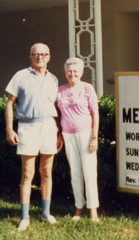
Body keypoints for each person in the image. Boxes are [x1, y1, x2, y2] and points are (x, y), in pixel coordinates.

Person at [5, 43, 64, 231]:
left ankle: (46, 213)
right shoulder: (20, 76)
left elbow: (58, 107)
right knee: (27, 174)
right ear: (30, 57)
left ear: (49, 57)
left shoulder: (53, 80)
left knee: (46, 172)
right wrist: (9, 128)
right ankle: (25, 217)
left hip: (49, 126)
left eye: (44, 54)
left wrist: (59, 132)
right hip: (27, 127)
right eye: (36, 54)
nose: (40, 57)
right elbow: (10, 103)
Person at [56, 57, 100, 222]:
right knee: (75, 172)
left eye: (75, 71)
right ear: (65, 72)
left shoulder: (88, 88)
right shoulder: (59, 90)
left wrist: (94, 137)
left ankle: (93, 210)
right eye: (69, 71)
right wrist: (59, 133)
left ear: (81, 72)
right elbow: (56, 113)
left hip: (86, 134)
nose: (72, 73)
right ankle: (78, 208)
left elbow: (95, 113)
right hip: (68, 134)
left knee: (89, 172)